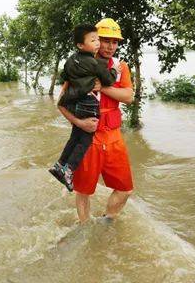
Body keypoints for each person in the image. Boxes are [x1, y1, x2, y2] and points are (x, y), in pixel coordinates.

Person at [57, 18, 134, 224]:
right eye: (105, 40)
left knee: (125, 189)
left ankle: (107, 221)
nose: (110, 46)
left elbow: (128, 96)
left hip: (114, 137)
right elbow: (61, 103)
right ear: (96, 41)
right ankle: (84, 227)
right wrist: (79, 123)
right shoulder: (78, 66)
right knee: (84, 190)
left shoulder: (120, 66)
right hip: (88, 137)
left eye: (115, 42)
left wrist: (103, 87)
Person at [49, 24, 117, 191]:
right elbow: (108, 80)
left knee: (75, 136)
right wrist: (114, 70)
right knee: (86, 139)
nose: (98, 43)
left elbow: (64, 77)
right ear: (80, 45)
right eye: (93, 40)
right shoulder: (94, 63)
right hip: (89, 103)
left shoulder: (71, 60)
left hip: (74, 103)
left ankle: (60, 165)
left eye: (98, 39)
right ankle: (69, 170)